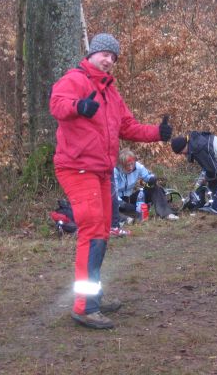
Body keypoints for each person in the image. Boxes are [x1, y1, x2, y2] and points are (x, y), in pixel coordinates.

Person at [49, 33, 173, 329]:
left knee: (103, 232)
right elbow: (56, 103)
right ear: (92, 53)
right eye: (104, 53)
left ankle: (93, 298)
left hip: (102, 171)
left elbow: (127, 126)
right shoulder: (75, 79)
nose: (108, 60)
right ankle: (83, 307)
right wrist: (78, 107)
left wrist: (159, 132)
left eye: (113, 56)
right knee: (91, 233)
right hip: (77, 168)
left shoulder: (111, 91)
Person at [113, 148, 179, 222]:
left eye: (132, 164)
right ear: (121, 164)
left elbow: (147, 176)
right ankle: (125, 219)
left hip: (130, 198)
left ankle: (167, 213)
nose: (131, 167)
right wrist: (122, 203)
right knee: (109, 205)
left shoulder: (138, 167)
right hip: (117, 200)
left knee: (156, 188)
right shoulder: (114, 171)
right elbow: (112, 192)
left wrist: (152, 179)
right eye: (128, 165)